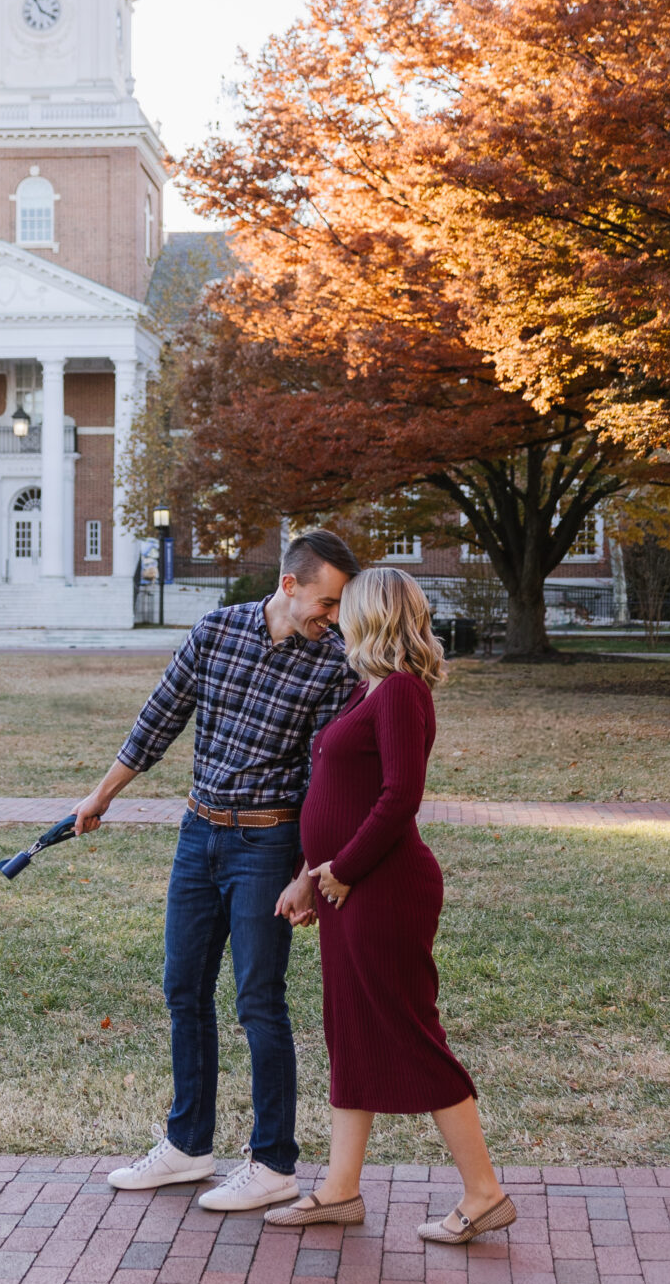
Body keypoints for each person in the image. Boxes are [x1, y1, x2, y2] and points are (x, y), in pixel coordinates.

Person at [74, 529, 362, 1213]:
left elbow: (322, 781)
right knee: (183, 987)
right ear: (289, 585)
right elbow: (158, 718)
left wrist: (306, 872)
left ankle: (273, 1163)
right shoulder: (216, 632)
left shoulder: (334, 666)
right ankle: (187, 1145)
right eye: (326, 602)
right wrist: (101, 794)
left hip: (268, 844)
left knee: (259, 999)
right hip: (199, 834)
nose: (333, 617)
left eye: (340, 607)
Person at [266, 569, 510, 1243]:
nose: (336, 615)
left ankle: (484, 1191)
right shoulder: (362, 690)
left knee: (407, 1031)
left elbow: (401, 796)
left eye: (348, 606)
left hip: (386, 888)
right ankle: (340, 1189)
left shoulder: (401, 692)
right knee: (350, 1031)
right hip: (348, 887)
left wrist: (341, 869)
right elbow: (338, 792)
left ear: (372, 614)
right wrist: (309, 876)